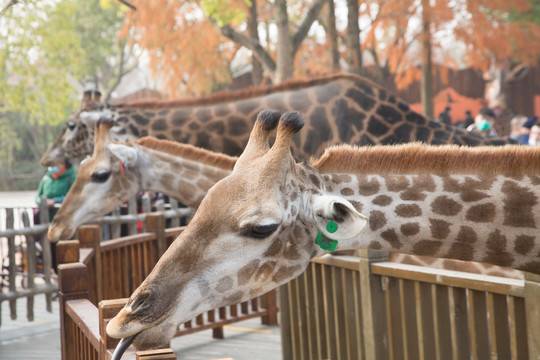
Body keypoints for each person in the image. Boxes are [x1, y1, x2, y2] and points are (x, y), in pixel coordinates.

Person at [35, 159, 76, 272]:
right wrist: (44, 202)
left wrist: (55, 201)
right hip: (46, 219)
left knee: (63, 246)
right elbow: (38, 197)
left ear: (64, 164)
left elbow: (72, 196)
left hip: (63, 220)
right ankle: (53, 270)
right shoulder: (46, 178)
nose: (55, 166)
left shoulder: (71, 177)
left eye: (58, 163)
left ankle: (65, 271)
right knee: (49, 246)